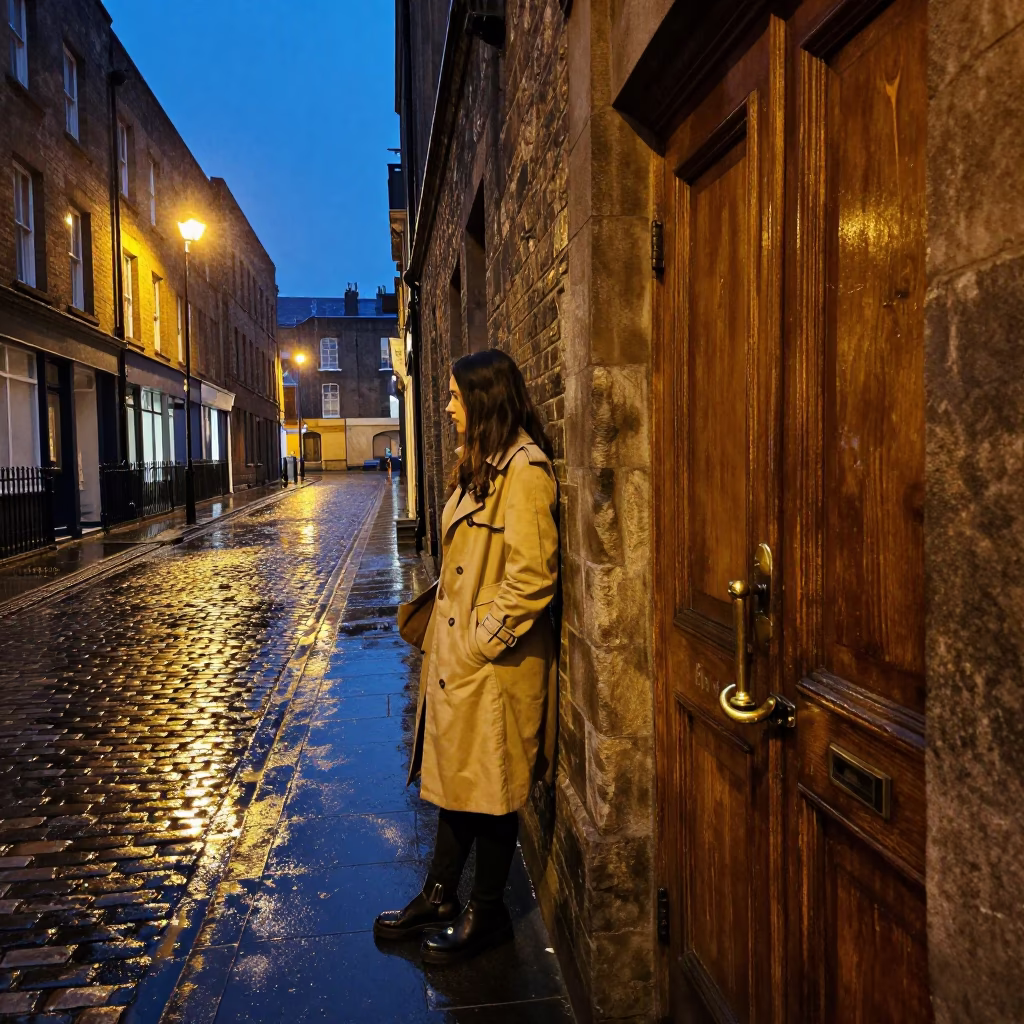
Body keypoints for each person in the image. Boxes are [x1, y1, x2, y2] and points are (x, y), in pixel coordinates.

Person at [374, 348, 559, 965]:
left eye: (456, 396)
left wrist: (481, 641)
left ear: (484, 400)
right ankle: (439, 895)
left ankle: (488, 911)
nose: (448, 407)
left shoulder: (525, 471)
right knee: (460, 779)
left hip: (494, 668)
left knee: (493, 785)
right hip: (461, 658)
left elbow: (532, 578)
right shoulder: (480, 465)